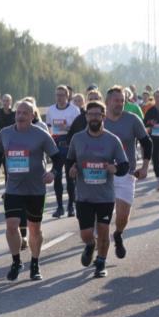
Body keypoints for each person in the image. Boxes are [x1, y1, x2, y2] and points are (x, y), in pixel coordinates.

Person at [0, 100, 60, 281]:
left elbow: (57, 157)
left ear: (32, 116)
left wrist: (52, 173)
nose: (20, 116)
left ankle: (35, 263)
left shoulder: (41, 135)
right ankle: (16, 261)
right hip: (13, 188)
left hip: (36, 188)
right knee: (11, 225)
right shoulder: (5, 133)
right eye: (18, 112)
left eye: (25, 113)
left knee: (34, 230)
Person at [66, 101, 130, 278]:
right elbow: (69, 159)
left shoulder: (112, 140)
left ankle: (101, 262)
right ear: (86, 117)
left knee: (103, 230)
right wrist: (72, 169)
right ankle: (90, 245)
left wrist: (115, 169)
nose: (93, 118)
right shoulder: (77, 139)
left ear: (103, 117)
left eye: (97, 115)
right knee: (86, 233)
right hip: (84, 195)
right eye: (90, 114)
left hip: (105, 196)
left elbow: (124, 165)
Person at [102, 87, 152, 259]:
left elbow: (147, 143)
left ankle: (118, 233)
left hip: (126, 172)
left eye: (122, 100)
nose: (119, 104)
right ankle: (100, 252)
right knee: (101, 216)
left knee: (122, 216)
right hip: (101, 175)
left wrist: (144, 167)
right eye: (116, 100)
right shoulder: (98, 121)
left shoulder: (132, 120)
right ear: (107, 102)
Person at [45, 85, 81, 218]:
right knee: (57, 177)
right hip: (56, 145)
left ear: (67, 96)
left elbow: (78, 129)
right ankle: (59, 207)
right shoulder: (51, 110)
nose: (59, 97)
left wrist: (68, 128)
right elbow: (48, 127)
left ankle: (71, 206)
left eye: (62, 95)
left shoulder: (74, 110)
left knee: (70, 177)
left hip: (69, 144)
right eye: (57, 95)